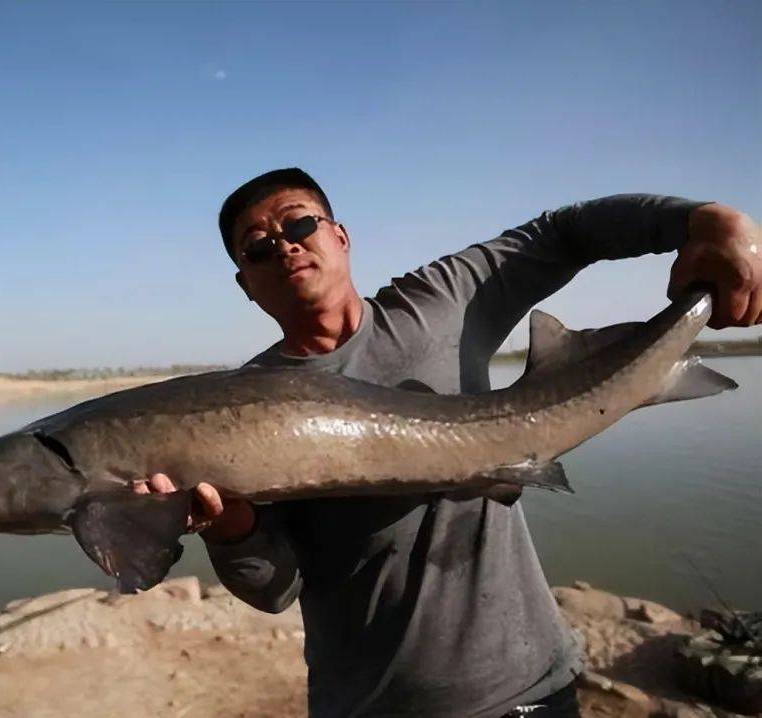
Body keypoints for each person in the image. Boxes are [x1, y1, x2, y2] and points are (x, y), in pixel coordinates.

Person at [134, 168, 761, 718]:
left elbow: (562, 233)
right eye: (259, 248)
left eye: (300, 225)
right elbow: (275, 591)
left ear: (340, 236)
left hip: (533, 689)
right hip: (372, 704)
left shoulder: (437, 303)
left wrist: (704, 220)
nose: (286, 248)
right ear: (245, 283)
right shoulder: (234, 415)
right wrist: (230, 529)